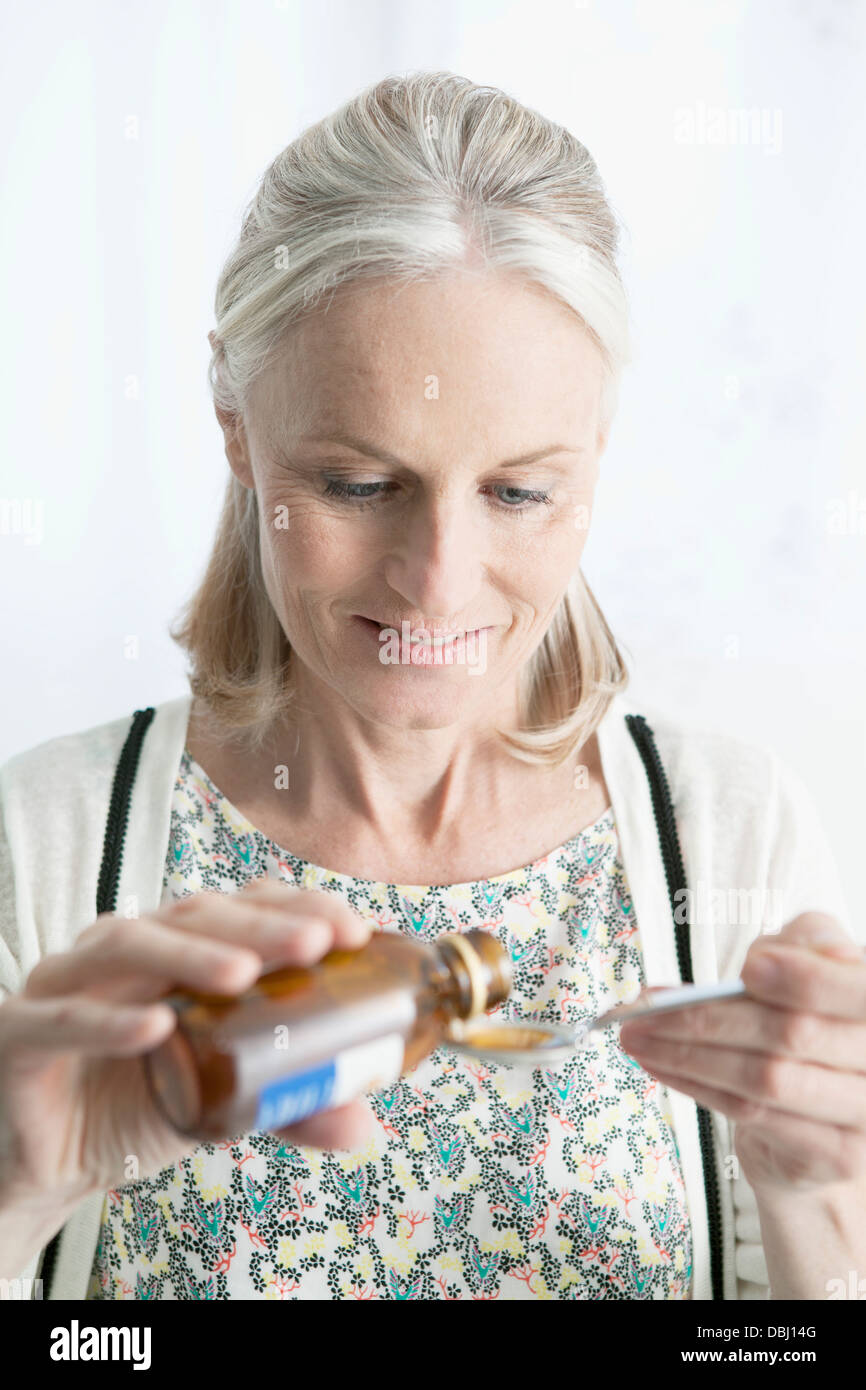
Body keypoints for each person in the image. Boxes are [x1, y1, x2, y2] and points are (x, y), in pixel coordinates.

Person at [1, 71, 864, 1302]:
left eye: (518, 492)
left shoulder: (729, 835)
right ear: (233, 420)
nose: (434, 585)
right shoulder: (48, 847)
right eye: (358, 485)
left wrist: (821, 1202)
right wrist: (19, 1180)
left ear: (596, 452)